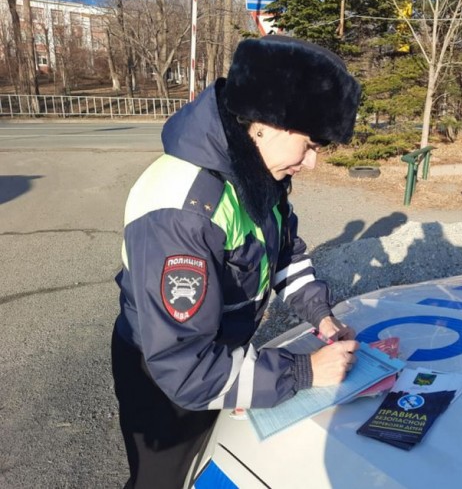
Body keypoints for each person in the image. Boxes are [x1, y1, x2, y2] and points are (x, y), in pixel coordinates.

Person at [111, 35, 362, 489]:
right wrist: (306, 370)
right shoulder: (182, 211)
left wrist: (320, 316)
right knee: (164, 480)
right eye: (308, 144)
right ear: (264, 123)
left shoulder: (254, 170)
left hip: (219, 357)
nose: (312, 164)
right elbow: (183, 370)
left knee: (208, 463)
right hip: (165, 377)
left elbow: (282, 253)